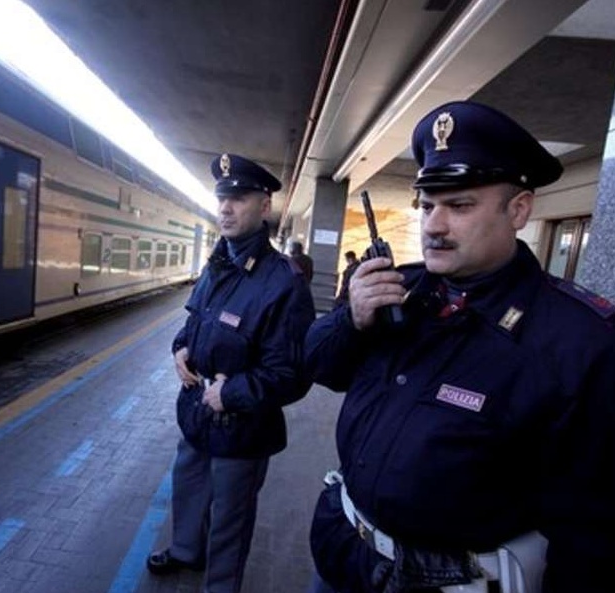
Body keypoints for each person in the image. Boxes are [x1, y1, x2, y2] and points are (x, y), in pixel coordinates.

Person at [304, 100, 615, 593]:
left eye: (460, 205)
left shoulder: (578, 341)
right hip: (344, 556)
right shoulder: (396, 288)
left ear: (519, 209)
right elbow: (318, 365)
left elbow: (592, 532)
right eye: (427, 205)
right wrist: (353, 322)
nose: (433, 225)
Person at [147, 153, 316, 593]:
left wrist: (233, 393)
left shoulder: (283, 282)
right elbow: (194, 321)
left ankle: (219, 587)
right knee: (187, 486)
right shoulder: (217, 263)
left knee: (229, 518)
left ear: (264, 206)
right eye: (222, 197)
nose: (225, 207)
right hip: (198, 408)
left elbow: (293, 373)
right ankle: (185, 550)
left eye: (238, 198)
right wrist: (180, 348)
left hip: (241, 423)